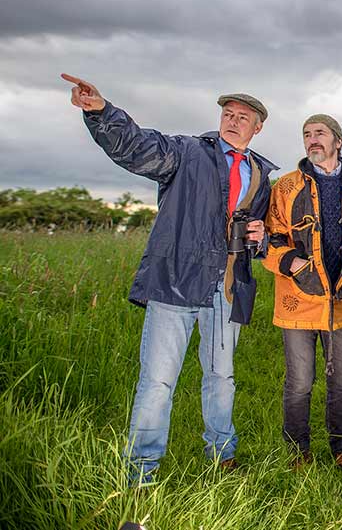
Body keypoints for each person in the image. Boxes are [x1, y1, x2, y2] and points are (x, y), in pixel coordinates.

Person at [62, 73, 278, 484]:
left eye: (243, 116)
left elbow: (264, 234)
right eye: (228, 114)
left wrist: (261, 236)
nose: (233, 120)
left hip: (227, 287)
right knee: (158, 382)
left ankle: (221, 454)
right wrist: (102, 113)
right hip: (175, 283)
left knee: (222, 378)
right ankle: (141, 471)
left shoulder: (260, 173)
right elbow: (138, 147)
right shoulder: (187, 152)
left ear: (257, 127)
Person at [263, 114, 342, 469]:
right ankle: (297, 451)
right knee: (300, 383)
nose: (312, 140)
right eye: (306, 134)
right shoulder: (286, 187)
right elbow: (272, 238)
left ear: (338, 141)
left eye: (320, 133)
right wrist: (297, 267)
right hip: (298, 302)